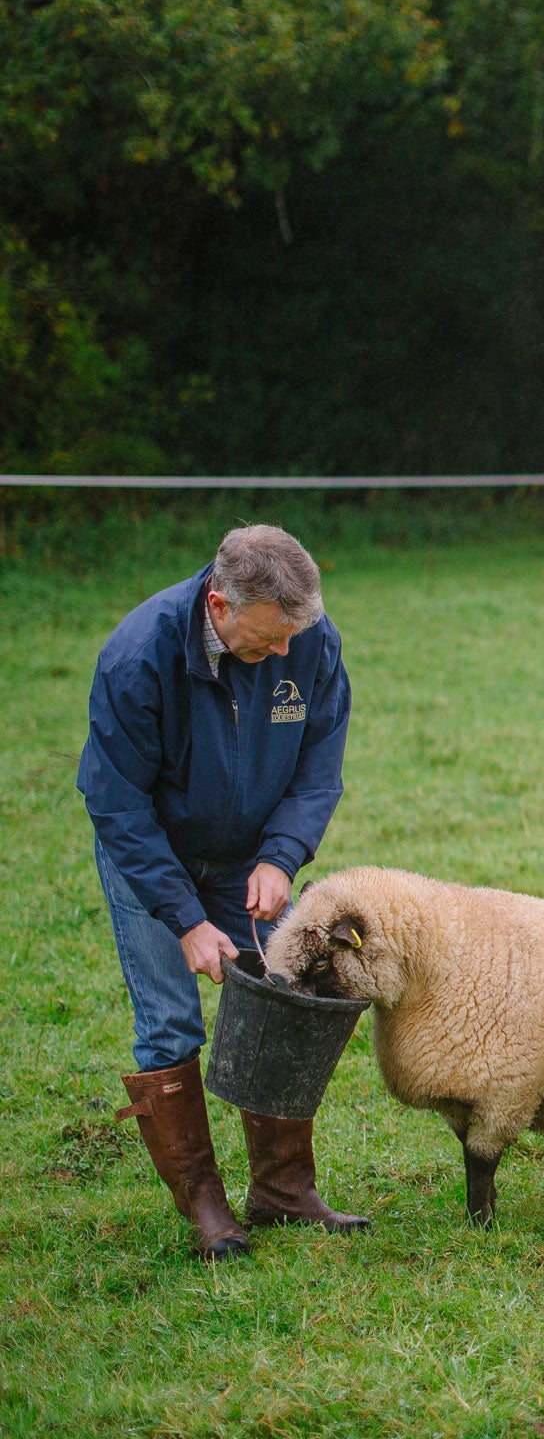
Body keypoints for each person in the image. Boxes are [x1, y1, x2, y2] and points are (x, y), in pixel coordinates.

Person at [78, 524, 367, 1259]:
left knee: (286, 991)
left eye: (292, 639)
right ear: (218, 605)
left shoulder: (307, 639)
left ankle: (281, 1190)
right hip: (155, 855)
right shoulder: (139, 657)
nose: (281, 655)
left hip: (249, 856)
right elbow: (116, 803)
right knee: (171, 1024)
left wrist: (280, 857)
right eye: (266, 641)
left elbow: (318, 768)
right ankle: (206, 1208)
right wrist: (183, 920)